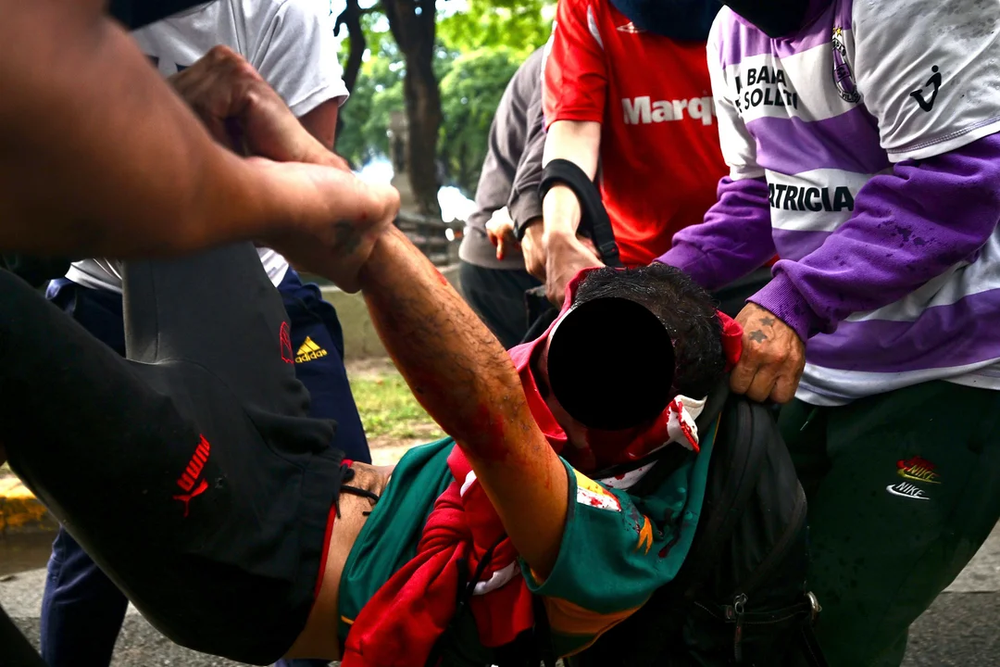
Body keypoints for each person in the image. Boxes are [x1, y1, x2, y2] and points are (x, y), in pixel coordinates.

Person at [0, 202, 732, 667]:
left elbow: (490, 413)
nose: (571, 395)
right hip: (301, 452)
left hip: (246, 553)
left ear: (662, 431)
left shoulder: (623, 546)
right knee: (168, 177)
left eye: (614, 387)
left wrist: (362, 229)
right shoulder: (563, 385)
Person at [655, 0, 1000, 664]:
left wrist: (796, 298)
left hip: (952, 367)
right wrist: (660, 286)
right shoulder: (732, 34)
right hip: (824, 364)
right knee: (744, 590)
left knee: (839, 623)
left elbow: (954, 186)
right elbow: (762, 194)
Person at [38, 3, 364, 665]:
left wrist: (206, 163)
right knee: (100, 538)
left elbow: (311, 195)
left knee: (341, 511)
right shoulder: (54, 20)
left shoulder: (284, 12)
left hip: (261, 282)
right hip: (105, 288)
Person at [530, 0, 772, 314]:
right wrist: (559, 230)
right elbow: (573, 131)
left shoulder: (769, 13)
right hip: (636, 268)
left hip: (761, 261)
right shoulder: (587, 9)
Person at [459, 47, 546, 348]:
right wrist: (522, 214)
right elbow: (543, 163)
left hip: (512, 255)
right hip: (508, 264)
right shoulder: (567, 54)